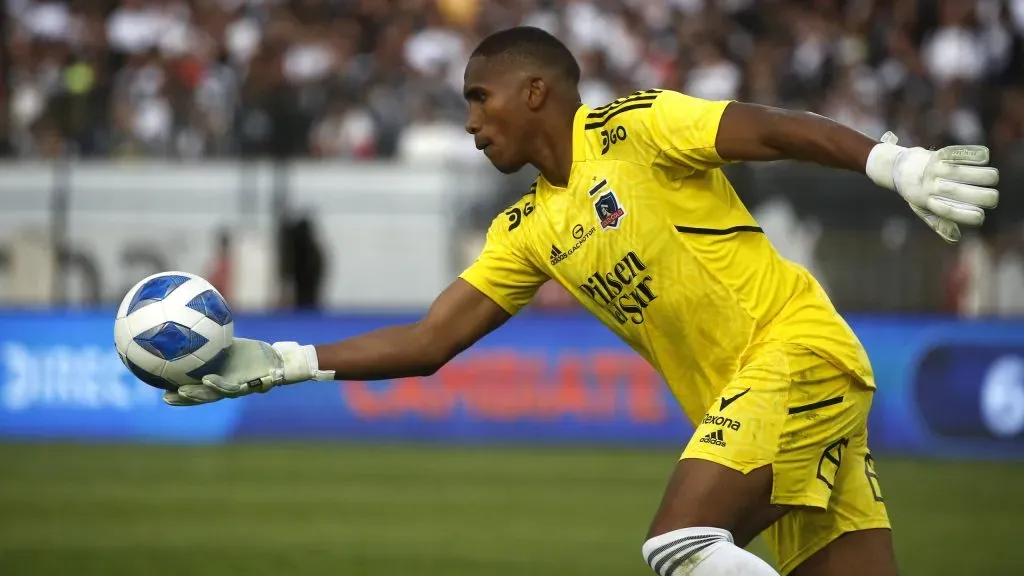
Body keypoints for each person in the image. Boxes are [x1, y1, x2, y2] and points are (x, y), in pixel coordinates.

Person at [163, 27, 1000, 576]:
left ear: (534, 93)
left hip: (794, 354)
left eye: (477, 100)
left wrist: (895, 164)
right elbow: (428, 340)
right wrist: (280, 362)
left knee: (682, 545)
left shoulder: (635, 128)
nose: (470, 124)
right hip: (772, 399)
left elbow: (773, 128)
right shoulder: (528, 227)